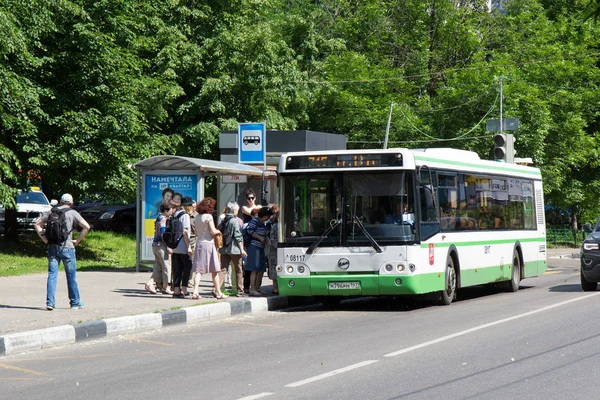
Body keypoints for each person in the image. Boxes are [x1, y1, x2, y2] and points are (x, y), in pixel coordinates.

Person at [34, 193, 90, 310]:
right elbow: (86, 227)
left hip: (52, 248)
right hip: (68, 248)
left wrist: (45, 239)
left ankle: (50, 303)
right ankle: (75, 303)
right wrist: (77, 240)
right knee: (71, 276)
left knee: (52, 275)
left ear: (60, 201)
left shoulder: (51, 212)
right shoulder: (73, 213)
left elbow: (37, 224)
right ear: (71, 203)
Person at [191, 197, 226, 299]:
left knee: (199, 270)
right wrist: (219, 232)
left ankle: (195, 291)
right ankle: (218, 292)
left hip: (199, 244)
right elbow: (213, 231)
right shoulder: (209, 217)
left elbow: (196, 233)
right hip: (209, 245)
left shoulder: (196, 218)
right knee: (214, 270)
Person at [145, 202, 175, 295]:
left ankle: (150, 283)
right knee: (166, 266)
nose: (171, 212)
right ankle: (166, 287)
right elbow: (163, 235)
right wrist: (168, 247)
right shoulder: (163, 219)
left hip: (155, 245)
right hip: (161, 246)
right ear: (165, 211)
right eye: (170, 210)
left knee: (158, 267)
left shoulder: (158, 218)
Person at [218, 202, 247, 297]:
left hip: (224, 249)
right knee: (238, 270)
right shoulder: (234, 221)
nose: (237, 212)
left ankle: (217, 289)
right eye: (237, 210)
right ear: (234, 210)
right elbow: (238, 236)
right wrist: (242, 249)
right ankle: (240, 290)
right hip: (234, 249)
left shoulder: (224, 219)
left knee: (223, 269)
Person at [244, 207, 274, 296]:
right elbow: (249, 230)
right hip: (254, 246)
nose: (268, 218)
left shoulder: (263, 223)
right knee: (254, 267)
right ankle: (252, 288)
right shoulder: (255, 221)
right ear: (264, 215)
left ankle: (257, 287)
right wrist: (260, 238)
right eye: (268, 216)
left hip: (261, 247)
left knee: (261, 268)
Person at [171, 197, 192, 298]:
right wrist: (189, 246)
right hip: (183, 245)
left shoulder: (175, 213)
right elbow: (185, 232)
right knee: (187, 267)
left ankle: (176, 290)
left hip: (175, 245)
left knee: (177, 269)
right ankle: (184, 289)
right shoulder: (185, 216)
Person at [242, 207, 259, 294]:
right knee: (249, 268)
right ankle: (248, 287)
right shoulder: (249, 224)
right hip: (249, 247)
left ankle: (248, 288)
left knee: (249, 268)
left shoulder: (247, 224)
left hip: (248, 246)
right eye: (255, 215)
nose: (256, 217)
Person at [265, 205, 279, 295]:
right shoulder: (272, 224)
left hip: (272, 248)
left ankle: (276, 288)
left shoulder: (270, 223)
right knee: (274, 267)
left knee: (274, 267)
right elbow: (271, 238)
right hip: (274, 249)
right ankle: (275, 288)